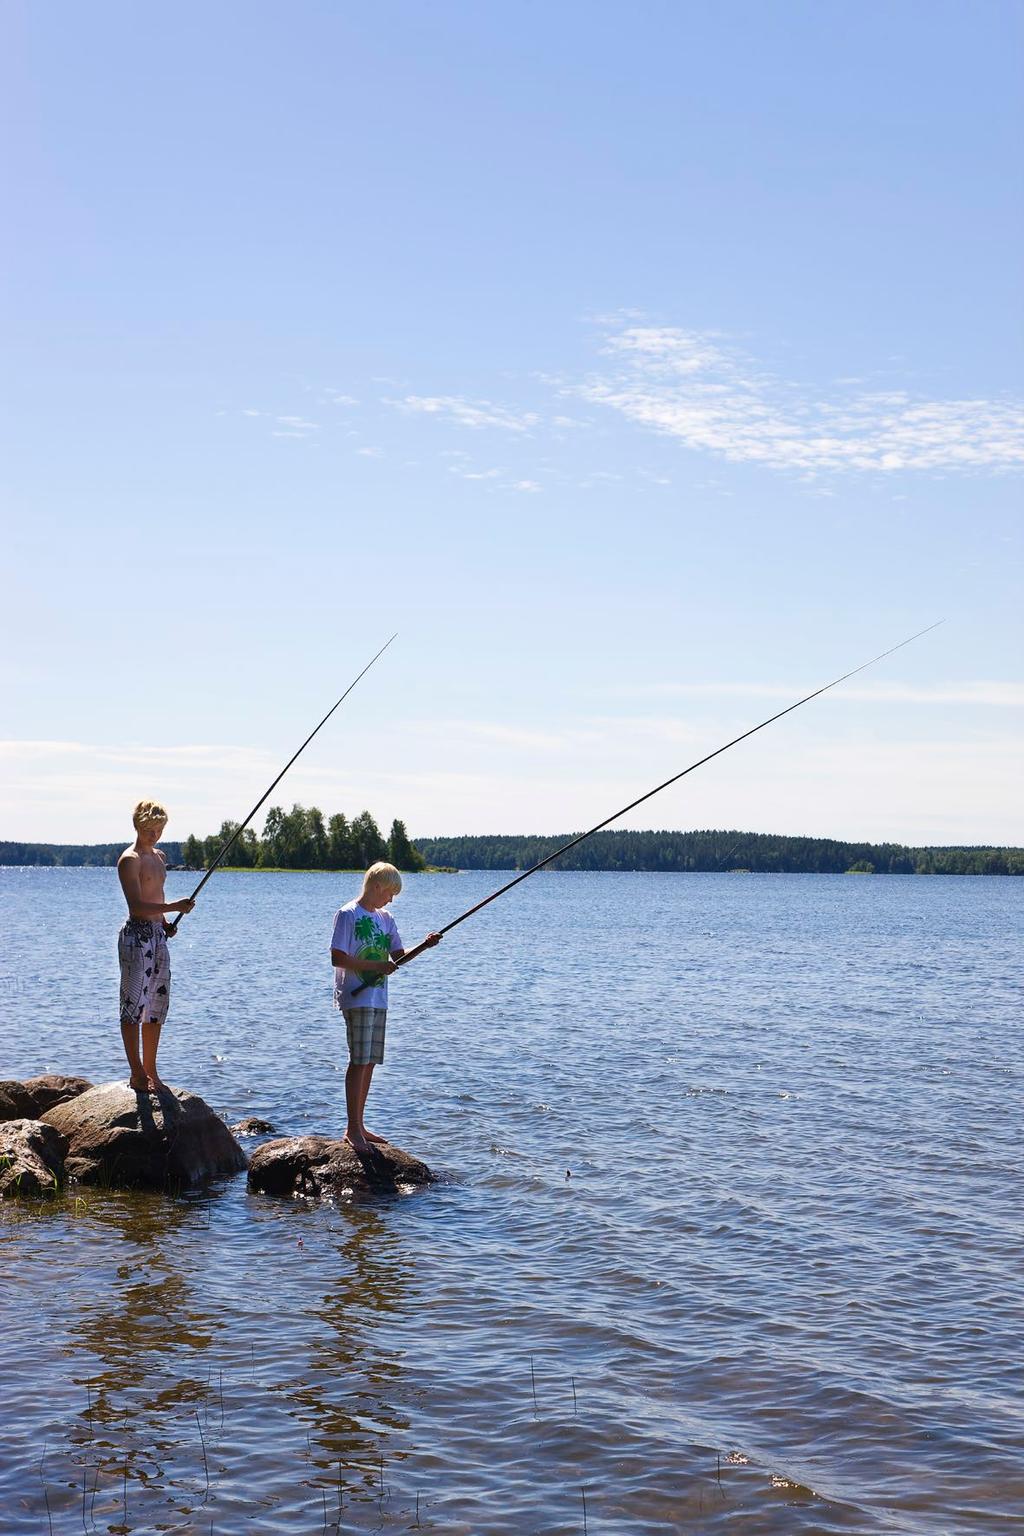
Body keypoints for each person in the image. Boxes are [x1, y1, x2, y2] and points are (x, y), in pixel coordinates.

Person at [330, 860, 441, 1150]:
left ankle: (360, 1125)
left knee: (369, 1061)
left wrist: (425, 946)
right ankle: (352, 1129)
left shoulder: (386, 918)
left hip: (378, 997)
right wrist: (376, 965)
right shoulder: (347, 914)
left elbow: (398, 958)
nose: (391, 899)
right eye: (390, 893)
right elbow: (337, 958)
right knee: (358, 1059)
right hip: (356, 995)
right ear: (377, 886)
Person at [116, 800, 194, 1093]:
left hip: (157, 936)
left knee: (156, 1006)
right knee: (133, 1004)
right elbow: (136, 906)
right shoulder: (130, 859)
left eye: (159, 829)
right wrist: (175, 906)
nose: (155, 835)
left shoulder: (159, 857)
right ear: (137, 825)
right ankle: (136, 1072)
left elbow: (154, 899)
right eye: (150, 829)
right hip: (135, 937)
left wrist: (165, 923)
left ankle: (151, 1070)